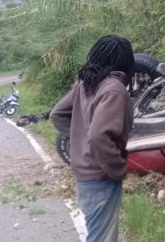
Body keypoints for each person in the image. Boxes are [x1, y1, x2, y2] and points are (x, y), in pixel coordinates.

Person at [50, 35, 135, 242]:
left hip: (84, 175)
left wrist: (80, 140)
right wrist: (117, 169)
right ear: (126, 61)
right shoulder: (114, 89)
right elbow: (98, 137)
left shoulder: (85, 83)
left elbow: (57, 114)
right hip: (101, 176)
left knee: (97, 234)